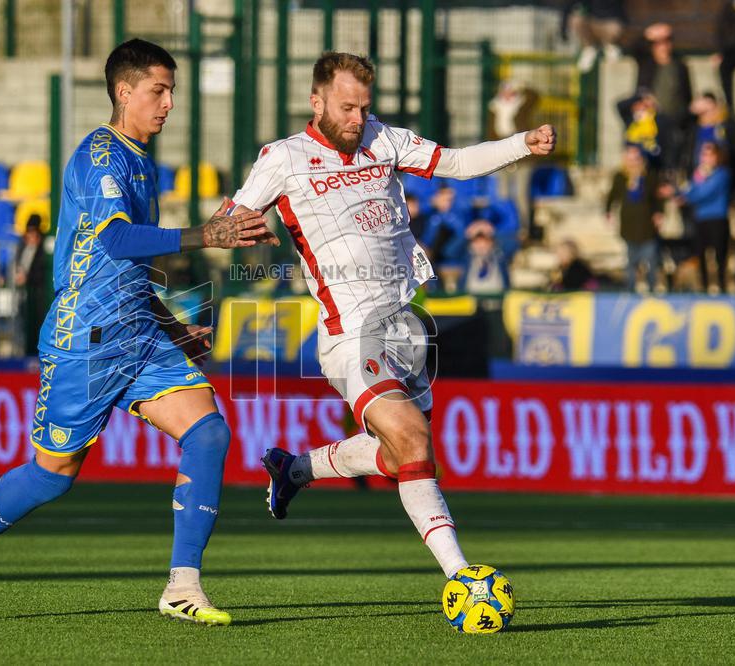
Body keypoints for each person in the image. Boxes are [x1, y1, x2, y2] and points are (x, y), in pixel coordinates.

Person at [0, 39, 274, 627]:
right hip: (85, 337)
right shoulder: (98, 156)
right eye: (158, 91)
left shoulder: (142, 160)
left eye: (171, 92)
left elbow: (127, 264)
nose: (167, 104)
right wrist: (204, 235)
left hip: (139, 334)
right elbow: (114, 240)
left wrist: (173, 322)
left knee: (209, 433)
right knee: (52, 475)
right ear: (124, 91)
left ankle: (182, 585)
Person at [231, 52, 555, 586]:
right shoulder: (284, 158)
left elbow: (455, 163)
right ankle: (464, 579)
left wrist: (521, 142)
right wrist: (239, 228)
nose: (357, 118)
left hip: (405, 324)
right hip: (350, 332)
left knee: (393, 453)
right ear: (316, 102)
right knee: (413, 441)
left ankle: (292, 470)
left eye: (363, 106)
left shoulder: (385, 139)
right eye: (346, 107)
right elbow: (232, 216)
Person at [669, 142, 733, 293]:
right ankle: (704, 286)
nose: (705, 158)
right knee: (701, 254)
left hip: (717, 219)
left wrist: (688, 196)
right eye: (703, 154)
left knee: (720, 255)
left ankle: (722, 287)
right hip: (701, 218)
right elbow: (689, 190)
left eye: (709, 154)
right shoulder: (699, 174)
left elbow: (705, 193)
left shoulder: (722, 174)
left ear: (717, 156)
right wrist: (683, 194)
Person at [631, 23, 692, 171]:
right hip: (649, 120)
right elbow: (635, 48)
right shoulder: (647, 63)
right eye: (658, 44)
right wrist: (649, 33)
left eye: (666, 43)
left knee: (671, 158)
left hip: (672, 119)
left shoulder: (679, 66)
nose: (663, 47)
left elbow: (687, 94)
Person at [606, 145, 664, 292]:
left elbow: (657, 198)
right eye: (630, 159)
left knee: (651, 261)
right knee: (631, 263)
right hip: (628, 225)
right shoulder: (620, 177)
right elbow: (612, 196)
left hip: (646, 226)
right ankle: (630, 290)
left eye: (636, 159)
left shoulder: (649, 176)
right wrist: (608, 212)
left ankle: (652, 290)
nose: (633, 163)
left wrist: (659, 213)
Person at [15, 214, 49, 355]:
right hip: (25, 294)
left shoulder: (44, 248)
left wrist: (27, 278)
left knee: (39, 324)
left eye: (33, 232)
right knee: (25, 324)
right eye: (28, 232)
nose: (30, 236)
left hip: (39, 293)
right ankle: (26, 351)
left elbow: (43, 270)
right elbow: (19, 264)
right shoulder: (22, 246)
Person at [562, 0, 627, 72]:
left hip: (611, 26)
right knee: (576, 19)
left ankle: (610, 48)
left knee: (613, 28)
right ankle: (590, 49)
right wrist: (563, 29)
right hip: (593, 25)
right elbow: (573, 5)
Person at [461, 220, 509, 294]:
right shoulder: (466, 257)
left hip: (496, 301)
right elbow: (451, 251)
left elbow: (512, 245)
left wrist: (493, 232)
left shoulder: (499, 256)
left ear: (492, 243)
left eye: (485, 242)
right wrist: (467, 234)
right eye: (477, 242)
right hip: (471, 301)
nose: (481, 246)